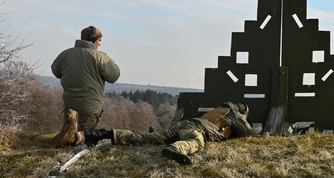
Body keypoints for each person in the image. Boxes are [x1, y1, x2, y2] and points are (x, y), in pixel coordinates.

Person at [83, 102, 254, 164]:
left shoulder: (218, 110)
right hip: (196, 130)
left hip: (184, 124)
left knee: (146, 139)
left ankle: (103, 134)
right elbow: (248, 134)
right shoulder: (234, 114)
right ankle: (176, 149)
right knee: (196, 142)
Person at [50, 25, 121, 146]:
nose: (100, 44)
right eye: (99, 40)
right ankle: (74, 138)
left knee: (72, 128)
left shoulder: (65, 54)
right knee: (87, 138)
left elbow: (56, 71)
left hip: (70, 104)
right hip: (90, 107)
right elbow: (114, 76)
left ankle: (70, 132)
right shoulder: (100, 57)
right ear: (93, 40)